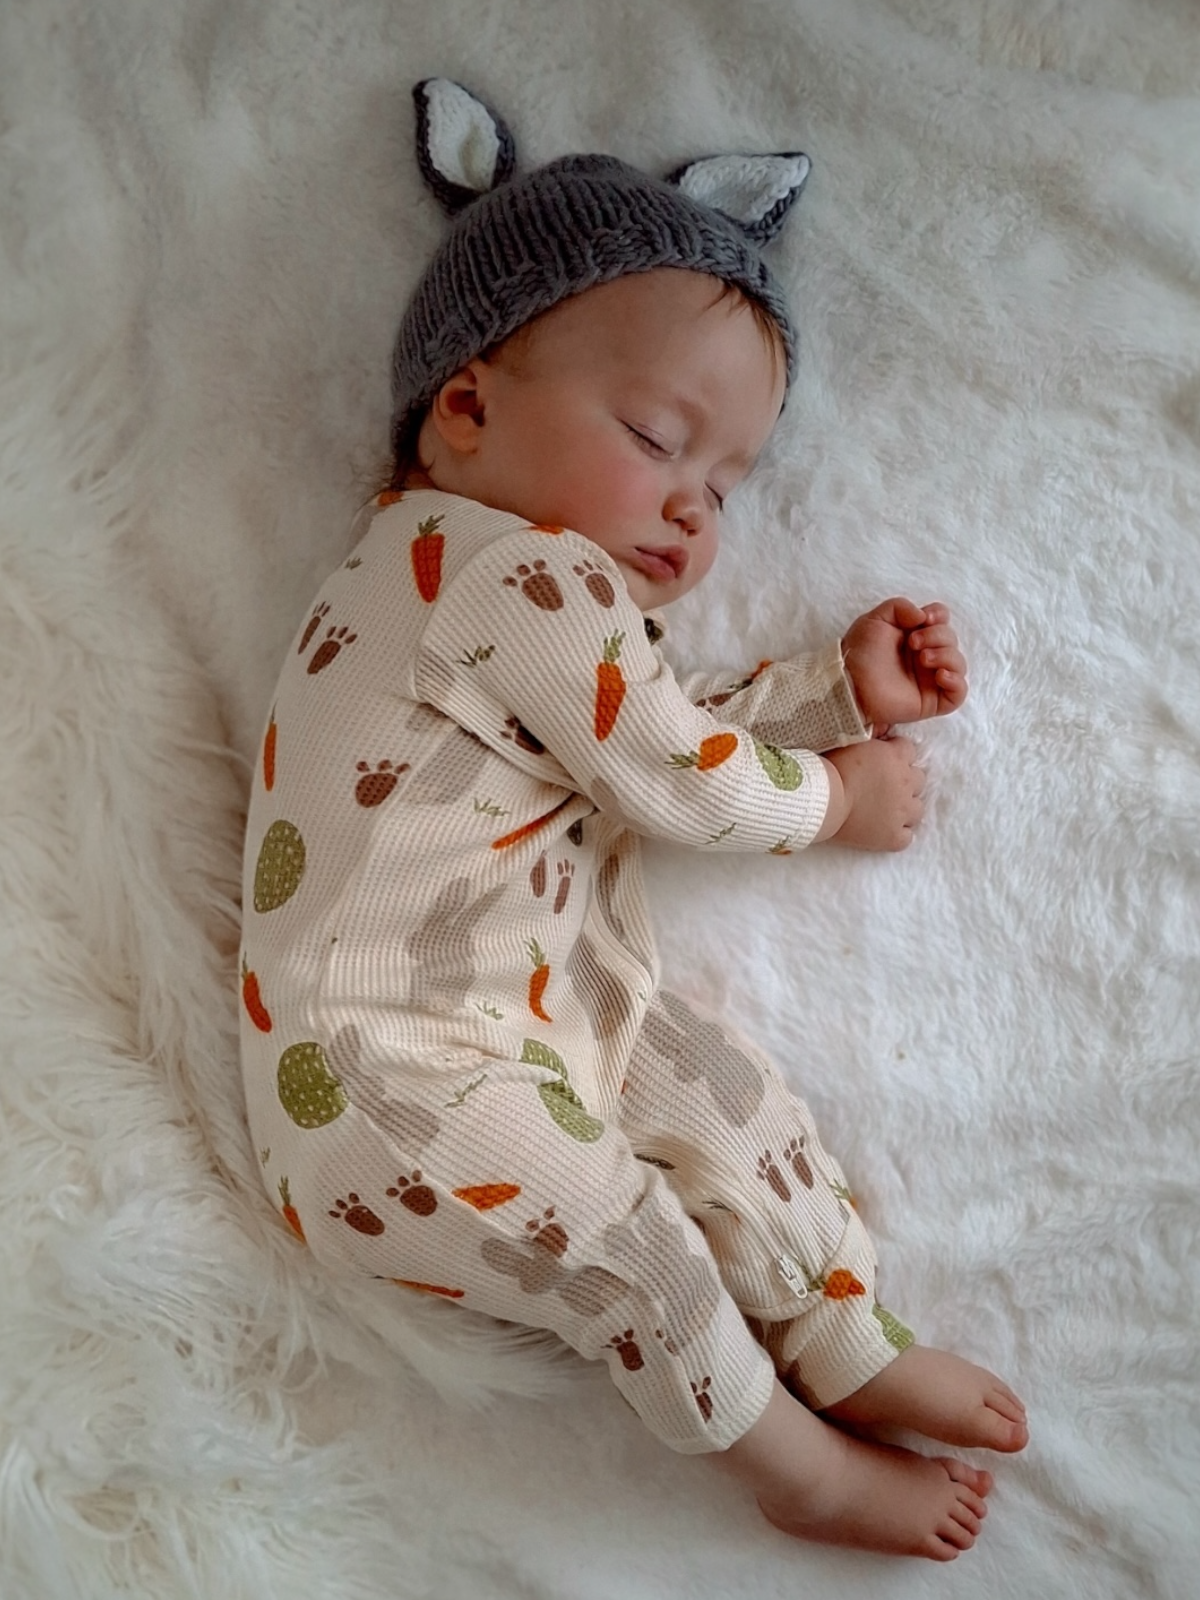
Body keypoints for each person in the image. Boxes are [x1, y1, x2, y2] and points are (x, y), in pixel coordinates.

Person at [240, 79, 1027, 1562]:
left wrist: (828, 692)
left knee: (709, 1087)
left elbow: (645, 728)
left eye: (729, 482)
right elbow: (675, 772)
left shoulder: (507, 602)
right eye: (663, 440)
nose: (695, 512)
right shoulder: (482, 564)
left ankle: (840, 1331)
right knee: (633, 1241)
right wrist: (835, 796)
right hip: (382, 1076)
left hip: (534, 1023)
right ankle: (800, 1462)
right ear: (466, 410)